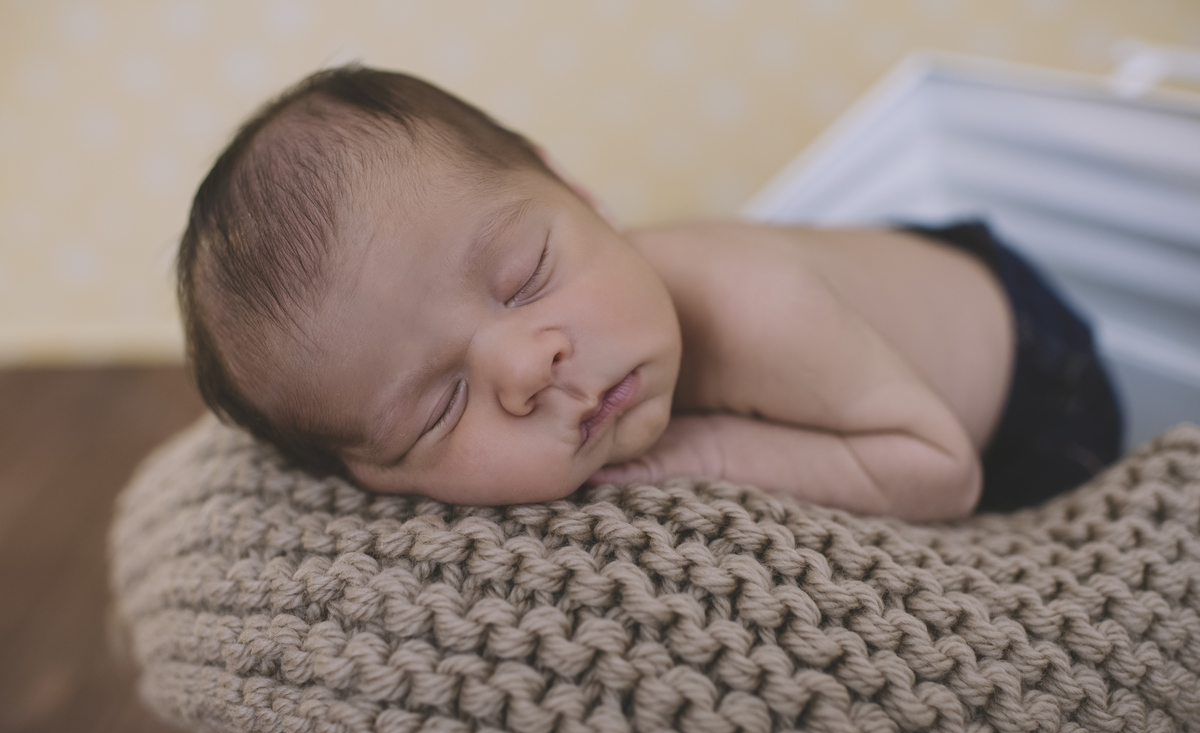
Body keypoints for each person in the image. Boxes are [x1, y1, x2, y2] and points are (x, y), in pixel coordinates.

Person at [177, 66, 1122, 520]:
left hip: (1027, 376)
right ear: (372, 480)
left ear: (577, 194)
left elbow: (940, 468)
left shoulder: (757, 306)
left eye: (523, 277)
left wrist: (697, 450)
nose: (525, 365)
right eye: (438, 406)